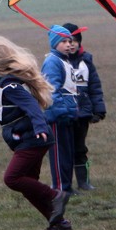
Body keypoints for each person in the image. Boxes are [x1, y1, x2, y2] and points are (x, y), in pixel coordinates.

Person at [0, 36, 72, 230]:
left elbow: (32, 107)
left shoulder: (11, 86)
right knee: (29, 185)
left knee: (12, 179)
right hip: (31, 138)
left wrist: (39, 128)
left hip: (33, 139)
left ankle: (56, 196)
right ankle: (59, 224)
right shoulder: (2, 83)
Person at [63, 23, 106, 191]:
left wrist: (99, 110)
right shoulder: (56, 62)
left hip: (82, 114)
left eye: (75, 40)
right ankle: (65, 185)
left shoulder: (86, 62)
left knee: (80, 149)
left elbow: (94, 87)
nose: (72, 44)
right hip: (64, 114)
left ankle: (84, 183)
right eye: (68, 41)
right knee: (66, 151)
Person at [41, 25, 79, 194]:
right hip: (57, 116)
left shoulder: (65, 60)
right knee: (58, 154)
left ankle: (67, 185)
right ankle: (60, 188)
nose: (68, 44)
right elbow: (51, 89)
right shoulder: (52, 62)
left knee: (68, 153)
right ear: (54, 43)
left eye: (69, 41)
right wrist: (60, 111)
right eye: (63, 41)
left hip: (68, 114)